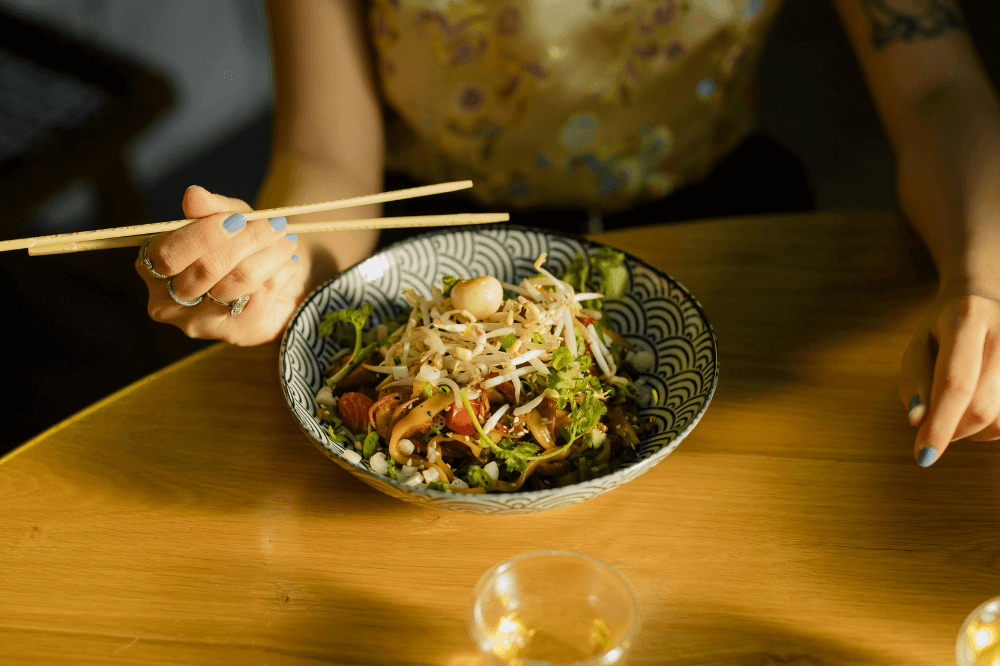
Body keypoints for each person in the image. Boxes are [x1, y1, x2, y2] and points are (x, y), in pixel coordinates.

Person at [136, 0, 1000, 468]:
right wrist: (278, 264)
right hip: (420, 240)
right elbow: (326, 154)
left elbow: (938, 93)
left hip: (719, 213)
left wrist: (982, 281)